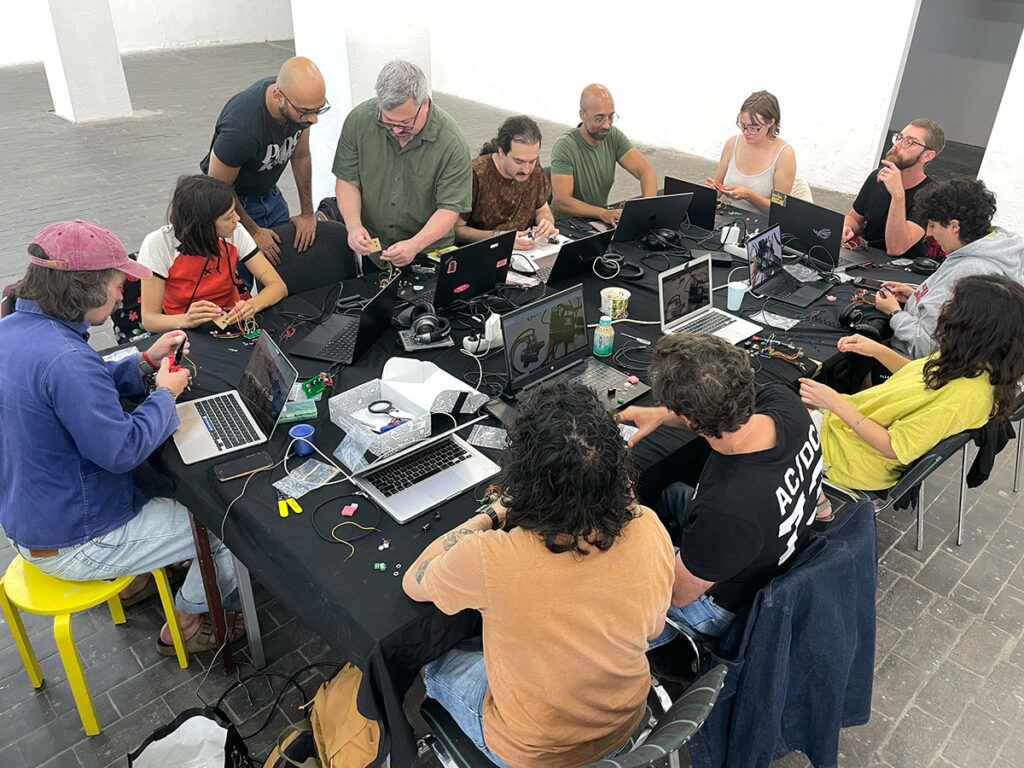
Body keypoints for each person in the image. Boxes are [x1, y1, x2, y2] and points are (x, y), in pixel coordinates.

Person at [0, 221, 241, 656]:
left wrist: (145, 362)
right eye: (115, 285)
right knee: (227, 524)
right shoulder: (67, 358)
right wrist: (166, 395)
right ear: (84, 289)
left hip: (33, 519)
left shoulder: (13, 331)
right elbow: (122, 450)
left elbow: (73, 389)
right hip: (78, 536)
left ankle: (140, 580)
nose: (119, 296)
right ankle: (187, 620)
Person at [405, 381, 674, 768]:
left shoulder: (491, 558)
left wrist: (493, 514)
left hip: (535, 752)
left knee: (433, 661)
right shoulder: (647, 526)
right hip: (626, 722)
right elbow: (651, 631)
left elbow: (414, 580)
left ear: (521, 476)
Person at [618, 333, 822, 642]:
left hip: (718, 604)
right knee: (671, 493)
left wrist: (627, 509)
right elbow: (716, 416)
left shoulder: (729, 507)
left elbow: (677, 594)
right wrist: (659, 416)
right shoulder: (783, 402)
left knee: (609, 585)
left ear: (690, 420)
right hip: (769, 553)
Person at [800, 274, 1024, 491]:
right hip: (845, 429)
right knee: (790, 396)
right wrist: (877, 350)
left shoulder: (964, 399)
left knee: (772, 398)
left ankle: (813, 500)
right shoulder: (975, 362)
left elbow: (893, 447)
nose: (940, 311)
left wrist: (834, 404)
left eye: (950, 306)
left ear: (972, 327)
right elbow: (919, 376)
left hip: (851, 457)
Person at [333, 60, 472, 268]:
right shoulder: (358, 121)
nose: (397, 130)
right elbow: (347, 181)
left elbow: (450, 208)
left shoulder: (451, 142)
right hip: (375, 249)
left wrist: (415, 245)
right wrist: (354, 226)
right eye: (388, 122)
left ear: (424, 103)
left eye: (405, 123)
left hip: (428, 252)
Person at [872, 178, 1024, 358]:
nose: (928, 233)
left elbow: (926, 346)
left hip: (912, 367)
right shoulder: (990, 247)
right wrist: (917, 296)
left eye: (933, 225)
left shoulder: (972, 272)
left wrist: (895, 313)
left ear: (954, 226)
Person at [201, 56, 327, 265]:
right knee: (253, 270)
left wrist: (307, 213)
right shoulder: (242, 127)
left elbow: (301, 156)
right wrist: (252, 231)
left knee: (286, 259)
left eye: (318, 109)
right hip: (232, 203)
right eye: (307, 112)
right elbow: (218, 186)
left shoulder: (296, 106)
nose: (314, 119)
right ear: (278, 97)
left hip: (269, 193)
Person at [138, 175, 289, 333]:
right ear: (204, 224)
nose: (237, 219)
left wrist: (252, 305)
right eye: (229, 216)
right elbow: (150, 320)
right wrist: (187, 319)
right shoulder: (158, 244)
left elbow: (278, 286)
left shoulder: (235, 231)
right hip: (183, 327)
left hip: (230, 320)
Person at [550, 84, 657, 225]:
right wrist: (602, 213)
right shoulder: (565, 146)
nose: (607, 125)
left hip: (597, 221)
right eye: (599, 118)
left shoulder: (613, 136)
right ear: (582, 114)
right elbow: (562, 202)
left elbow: (646, 171)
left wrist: (646, 209)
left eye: (610, 117)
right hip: (565, 226)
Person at [842, 119, 945, 258]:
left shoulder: (932, 193)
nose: (897, 145)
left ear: (927, 155)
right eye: (899, 138)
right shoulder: (877, 177)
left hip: (900, 269)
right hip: (864, 255)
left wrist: (898, 195)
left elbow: (896, 248)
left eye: (909, 142)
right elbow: (854, 218)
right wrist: (847, 227)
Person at [454, 115, 558, 250]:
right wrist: (499, 237)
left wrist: (546, 223)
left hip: (525, 251)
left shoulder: (533, 168)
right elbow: (456, 230)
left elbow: (542, 209)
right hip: (484, 252)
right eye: (519, 161)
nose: (527, 170)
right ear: (501, 152)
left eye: (532, 161)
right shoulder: (476, 174)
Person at [706, 90, 796, 214]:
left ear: (771, 122)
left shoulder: (784, 154)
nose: (746, 132)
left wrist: (750, 196)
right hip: (725, 215)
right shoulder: (732, 143)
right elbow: (718, 187)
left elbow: (779, 209)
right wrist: (714, 191)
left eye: (753, 128)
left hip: (758, 223)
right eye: (743, 125)